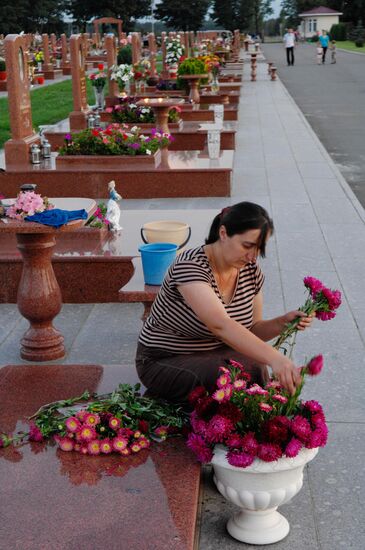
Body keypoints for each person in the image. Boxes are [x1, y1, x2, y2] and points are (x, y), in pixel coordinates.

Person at [135, 202, 314, 403]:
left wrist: (283, 322)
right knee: (225, 379)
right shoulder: (190, 265)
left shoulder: (251, 271)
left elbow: (252, 329)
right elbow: (220, 324)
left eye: (258, 248)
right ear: (223, 233)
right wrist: (276, 358)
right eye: (247, 246)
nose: (252, 257)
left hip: (215, 353)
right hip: (164, 358)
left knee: (256, 370)